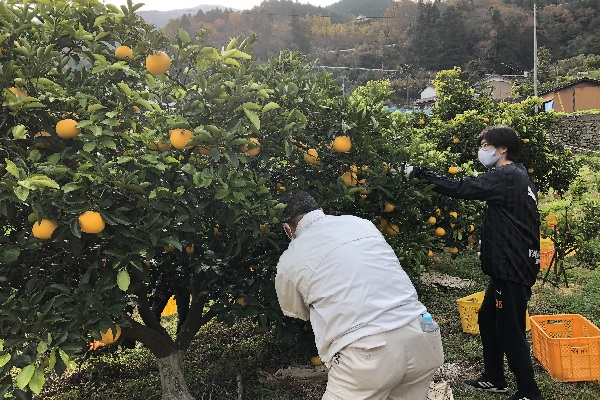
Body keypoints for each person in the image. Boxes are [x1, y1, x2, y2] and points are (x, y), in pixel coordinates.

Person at [407, 125, 544, 400]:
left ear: (501, 148)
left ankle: (530, 392)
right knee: (487, 317)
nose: (481, 151)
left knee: (510, 329)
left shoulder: (506, 175)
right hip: (509, 264)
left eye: (485, 145)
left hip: (512, 266)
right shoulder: (517, 176)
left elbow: (461, 187)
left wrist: (420, 174)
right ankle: (494, 378)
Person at [275, 189, 444, 400]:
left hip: (368, 352)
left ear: (288, 229)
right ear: (320, 210)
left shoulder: (291, 258)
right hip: (422, 335)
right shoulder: (360, 223)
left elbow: (297, 312)